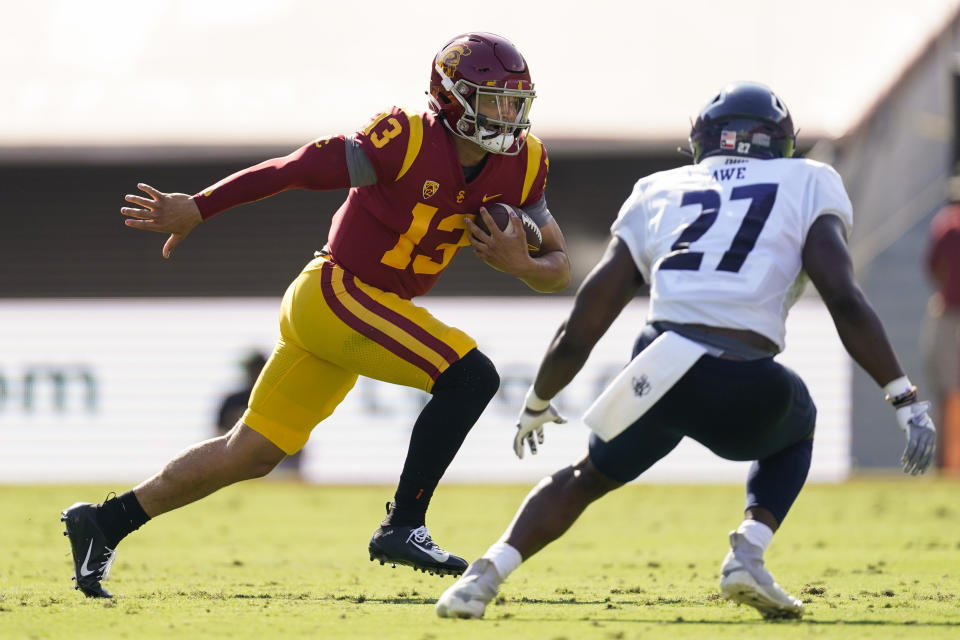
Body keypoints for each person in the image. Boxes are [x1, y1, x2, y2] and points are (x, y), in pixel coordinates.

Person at [61, 32, 570, 598]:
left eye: (513, 101)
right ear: (451, 96)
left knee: (248, 453)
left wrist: (519, 263)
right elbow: (296, 167)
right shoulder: (403, 137)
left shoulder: (526, 164)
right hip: (338, 291)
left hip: (362, 309)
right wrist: (199, 207)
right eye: (493, 99)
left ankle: (103, 523)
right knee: (472, 376)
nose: (507, 114)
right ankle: (403, 525)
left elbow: (558, 267)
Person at [436, 82, 937, 621]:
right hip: (744, 374)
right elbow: (842, 295)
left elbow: (588, 318)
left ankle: (480, 578)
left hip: (660, 365)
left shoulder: (659, 188)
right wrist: (903, 397)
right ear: (781, 143)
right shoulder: (808, 180)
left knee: (586, 477)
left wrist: (538, 399)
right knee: (798, 421)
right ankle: (748, 550)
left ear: (702, 141)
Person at [922, 180, 960, 471]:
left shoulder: (948, 225)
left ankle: (948, 463)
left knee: (948, 389)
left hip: (950, 315)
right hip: (950, 313)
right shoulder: (948, 225)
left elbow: (933, 268)